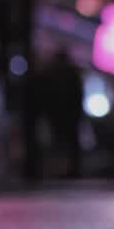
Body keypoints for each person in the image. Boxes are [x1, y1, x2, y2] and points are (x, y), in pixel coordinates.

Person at [44, 49, 85, 178]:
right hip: (67, 116)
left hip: (60, 116)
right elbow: (79, 95)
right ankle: (70, 170)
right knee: (67, 144)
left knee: (61, 143)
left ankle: (63, 170)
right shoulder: (71, 74)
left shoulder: (52, 74)